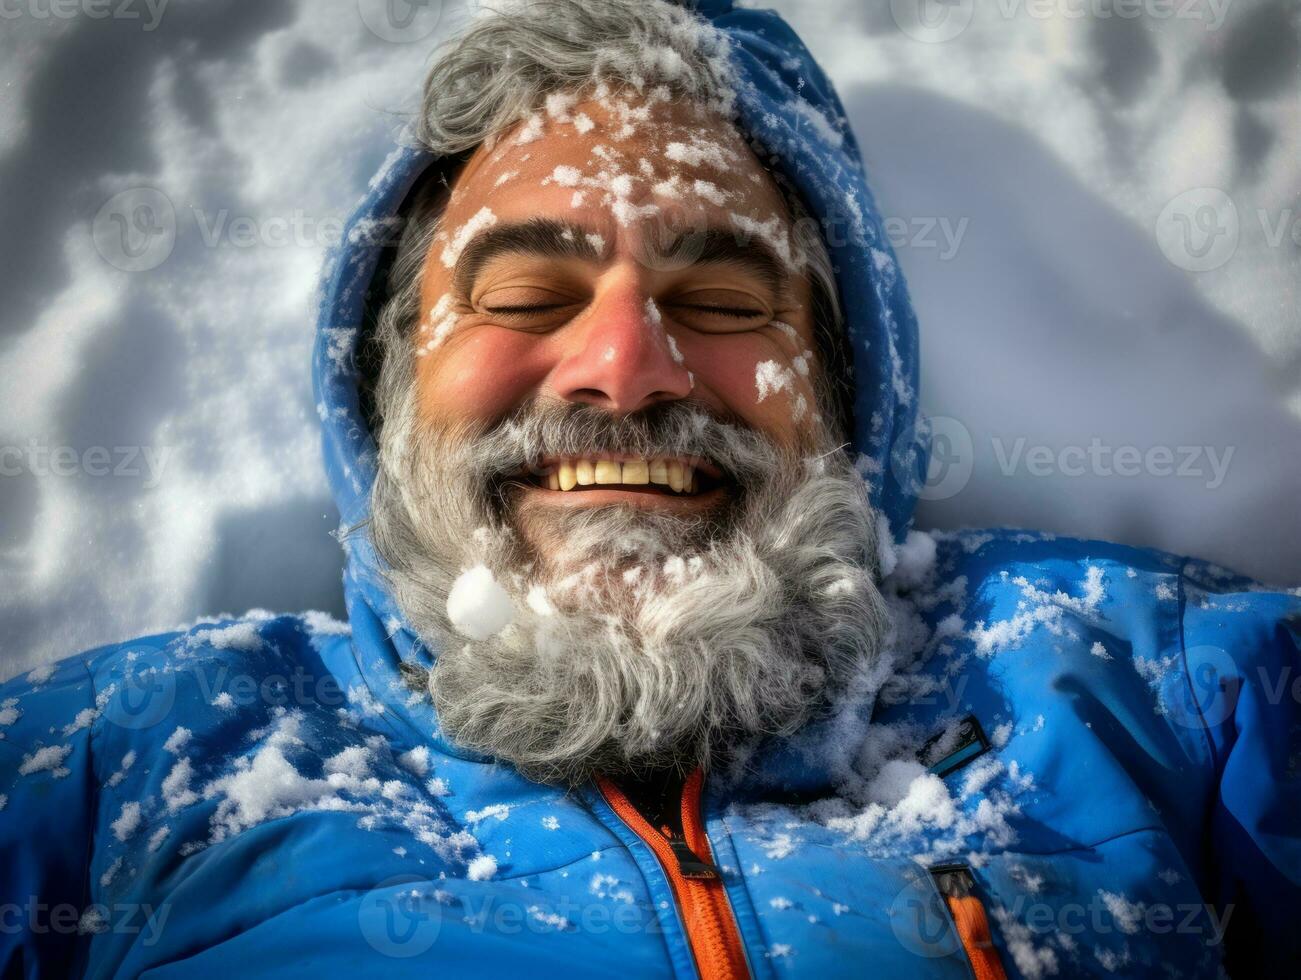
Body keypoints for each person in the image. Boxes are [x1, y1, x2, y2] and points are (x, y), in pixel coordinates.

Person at [1, 1, 1296, 976]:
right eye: (522, 295)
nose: (624, 369)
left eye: (725, 298)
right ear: (389, 390)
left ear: (846, 401)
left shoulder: (1157, 688)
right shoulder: (117, 770)